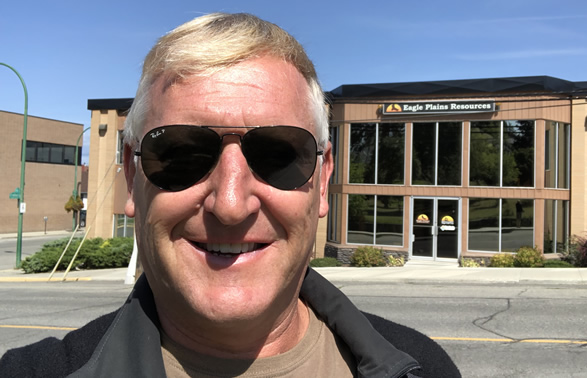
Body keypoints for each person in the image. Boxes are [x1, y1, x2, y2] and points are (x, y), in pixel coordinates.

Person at [0, 13, 460, 377]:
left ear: (323, 180)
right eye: (180, 154)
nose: (231, 203)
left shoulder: (424, 368)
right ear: (131, 174)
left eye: (280, 154)